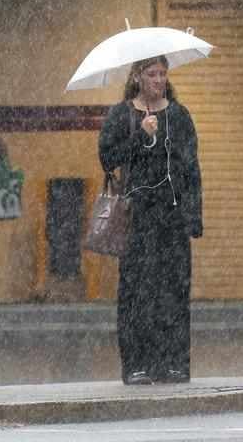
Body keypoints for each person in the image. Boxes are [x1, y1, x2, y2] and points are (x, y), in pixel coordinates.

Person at [99, 56, 203, 386]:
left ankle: (173, 362)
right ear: (137, 77)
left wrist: (194, 214)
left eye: (162, 73)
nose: (158, 79)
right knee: (137, 290)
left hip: (171, 215)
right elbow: (107, 157)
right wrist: (140, 137)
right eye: (151, 74)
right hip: (137, 214)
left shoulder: (179, 115)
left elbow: (191, 169)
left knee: (173, 289)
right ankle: (137, 363)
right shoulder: (121, 114)